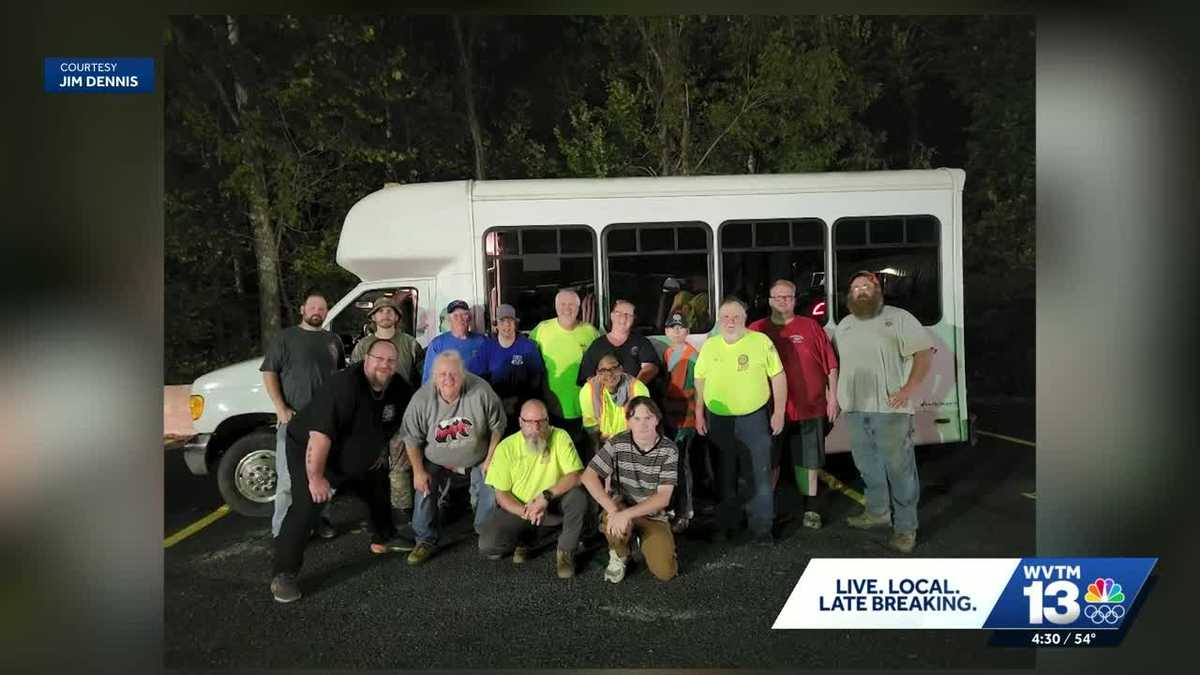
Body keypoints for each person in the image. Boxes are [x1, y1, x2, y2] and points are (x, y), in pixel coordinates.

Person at [269, 339, 414, 603]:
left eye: (391, 361)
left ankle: (386, 535)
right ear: (365, 359)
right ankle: (284, 574)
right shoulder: (344, 386)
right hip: (312, 449)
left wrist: (379, 453)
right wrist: (315, 478)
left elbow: (397, 421)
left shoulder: (398, 387)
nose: (385, 365)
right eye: (379, 359)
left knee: (377, 487)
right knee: (306, 506)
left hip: (355, 453)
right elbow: (320, 435)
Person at [833, 271, 933, 554]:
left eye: (867, 286)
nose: (861, 290)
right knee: (868, 466)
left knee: (899, 469)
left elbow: (924, 354)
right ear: (849, 295)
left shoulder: (899, 318)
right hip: (855, 409)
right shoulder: (845, 326)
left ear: (878, 290)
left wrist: (907, 389)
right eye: (855, 287)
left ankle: (905, 528)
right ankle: (877, 513)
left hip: (891, 410)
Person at [399, 350, 506, 565]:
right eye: (442, 374)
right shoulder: (421, 399)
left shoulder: (481, 390)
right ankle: (424, 540)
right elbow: (411, 439)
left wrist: (491, 458)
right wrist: (419, 472)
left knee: (491, 481)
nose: (448, 379)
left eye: (454, 374)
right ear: (434, 377)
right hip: (435, 459)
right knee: (423, 487)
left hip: (477, 456)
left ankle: (485, 531)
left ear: (463, 374)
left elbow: (498, 425)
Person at [694, 297, 787, 546]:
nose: (730, 321)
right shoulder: (710, 345)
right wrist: (699, 412)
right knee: (724, 474)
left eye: (736, 317)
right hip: (719, 420)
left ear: (745, 319)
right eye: (725, 317)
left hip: (754, 418)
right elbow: (700, 379)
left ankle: (762, 527)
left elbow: (778, 377)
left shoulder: (760, 342)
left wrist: (779, 412)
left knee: (759, 472)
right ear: (718, 320)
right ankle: (727, 524)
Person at [748, 279, 839, 530]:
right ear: (769, 301)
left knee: (810, 460)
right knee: (770, 461)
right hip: (772, 410)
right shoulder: (757, 330)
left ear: (795, 300)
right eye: (777, 297)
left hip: (811, 406)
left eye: (787, 297)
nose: (783, 301)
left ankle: (811, 508)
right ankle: (766, 509)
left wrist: (833, 397)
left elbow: (830, 364)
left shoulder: (811, 326)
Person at [260, 291, 345, 540]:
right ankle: (283, 531)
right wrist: (281, 407)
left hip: (326, 421)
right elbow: (269, 372)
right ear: (302, 309)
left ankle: (321, 520)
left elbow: (339, 377)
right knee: (288, 480)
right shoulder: (285, 338)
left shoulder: (333, 340)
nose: (317, 311)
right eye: (313, 307)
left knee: (324, 475)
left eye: (322, 307)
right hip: (294, 421)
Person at [478, 400, 588, 579]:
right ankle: (528, 539)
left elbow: (576, 475)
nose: (536, 428)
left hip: (553, 502)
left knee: (578, 497)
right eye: (529, 422)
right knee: (488, 544)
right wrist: (526, 511)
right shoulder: (506, 447)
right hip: (522, 508)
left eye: (541, 421)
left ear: (548, 421)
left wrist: (545, 497)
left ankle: (566, 551)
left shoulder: (560, 436)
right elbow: (501, 494)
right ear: (520, 422)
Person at [580, 397, 679, 583]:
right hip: (622, 506)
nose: (643, 425)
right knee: (615, 523)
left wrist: (627, 515)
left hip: (652, 515)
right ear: (629, 421)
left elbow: (663, 498)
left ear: (657, 419)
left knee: (666, 572)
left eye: (648, 418)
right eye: (636, 419)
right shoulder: (618, 442)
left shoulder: (669, 449)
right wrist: (613, 510)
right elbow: (588, 476)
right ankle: (620, 553)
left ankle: (640, 542)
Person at [350, 295, 424, 526]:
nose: (385, 315)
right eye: (380, 312)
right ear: (373, 318)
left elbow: (422, 378)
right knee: (373, 467)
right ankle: (376, 514)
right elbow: (354, 380)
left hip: (403, 417)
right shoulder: (363, 346)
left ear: (397, 317)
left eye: (390, 311)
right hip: (372, 418)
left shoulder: (410, 344)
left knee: (400, 467)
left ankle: (403, 515)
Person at [529, 288, 600, 446]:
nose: (567, 309)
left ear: (578, 308)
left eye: (571, 305)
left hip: (585, 410)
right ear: (555, 307)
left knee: (582, 456)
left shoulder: (591, 332)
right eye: (562, 304)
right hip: (551, 410)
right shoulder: (541, 330)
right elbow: (529, 362)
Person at [478, 304, 546, 436]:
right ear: (496, 324)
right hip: (495, 408)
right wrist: (496, 402)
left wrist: (519, 402)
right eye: (502, 321)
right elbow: (478, 379)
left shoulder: (528, 346)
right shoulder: (487, 347)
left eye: (510, 321)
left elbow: (537, 379)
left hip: (523, 410)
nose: (506, 325)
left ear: (515, 323)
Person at [661, 311, 701, 533]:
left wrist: (699, 416)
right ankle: (672, 507)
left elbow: (699, 390)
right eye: (672, 327)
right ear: (666, 331)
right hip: (669, 417)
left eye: (681, 327)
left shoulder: (692, 356)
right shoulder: (667, 352)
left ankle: (685, 511)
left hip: (686, 418)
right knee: (670, 464)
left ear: (688, 331)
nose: (677, 331)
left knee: (681, 464)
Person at [577, 352, 650, 461]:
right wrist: (600, 459)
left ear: (621, 369)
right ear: (598, 373)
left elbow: (642, 425)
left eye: (614, 368)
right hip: (601, 443)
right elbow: (591, 428)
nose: (610, 374)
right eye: (603, 371)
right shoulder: (588, 390)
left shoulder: (638, 388)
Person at [577, 299, 660, 386]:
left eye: (628, 314)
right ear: (611, 316)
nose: (623, 318)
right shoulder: (597, 345)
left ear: (634, 318)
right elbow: (587, 375)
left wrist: (633, 389)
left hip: (636, 397)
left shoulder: (642, 342)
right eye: (618, 313)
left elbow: (650, 368)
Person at [421, 299, 487, 384]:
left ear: (469, 318)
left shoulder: (482, 341)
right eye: (455, 315)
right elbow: (428, 380)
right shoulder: (437, 345)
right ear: (449, 319)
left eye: (464, 315)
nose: (460, 319)